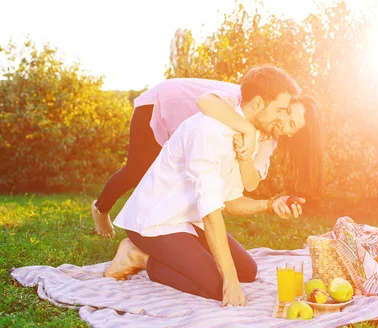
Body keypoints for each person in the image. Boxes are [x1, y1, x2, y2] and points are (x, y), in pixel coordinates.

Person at [103, 66, 304, 306]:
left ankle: (175, 256)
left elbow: (229, 201)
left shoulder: (246, 139)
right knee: (218, 286)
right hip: (155, 221)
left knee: (247, 271)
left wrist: (270, 204)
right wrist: (229, 281)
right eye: (280, 110)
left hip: (186, 220)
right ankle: (138, 256)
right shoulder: (209, 131)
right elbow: (210, 213)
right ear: (259, 103)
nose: (282, 119)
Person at [92, 67, 323, 237]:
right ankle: (101, 209)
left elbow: (251, 183)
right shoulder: (245, 100)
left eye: (291, 125)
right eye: (287, 111)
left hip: (187, 128)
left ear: (292, 136)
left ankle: (161, 229)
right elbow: (205, 101)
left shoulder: (269, 138)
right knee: (138, 170)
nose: (283, 120)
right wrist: (247, 131)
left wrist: (247, 160)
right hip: (164, 102)